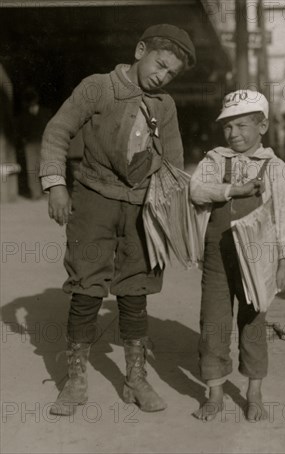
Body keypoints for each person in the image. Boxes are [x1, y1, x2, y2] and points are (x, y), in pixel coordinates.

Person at [39, 24, 196, 416]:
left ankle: (135, 379)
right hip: (93, 199)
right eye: (160, 65)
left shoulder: (166, 105)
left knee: (135, 290)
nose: (163, 76)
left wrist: (176, 215)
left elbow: (174, 162)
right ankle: (75, 381)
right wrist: (55, 185)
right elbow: (58, 131)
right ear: (140, 50)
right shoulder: (99, 87)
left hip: (142, 207)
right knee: (87, 286)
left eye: (171, 73)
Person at [190, 90, 285, 422]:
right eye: (228, 128)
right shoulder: (214, 160)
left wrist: (284, 263)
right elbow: (196, 190)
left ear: (262, 125)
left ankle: (254, 392)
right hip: (218, 257)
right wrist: (232, 191)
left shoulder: (274, 166)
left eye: (241, 126)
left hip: (259, 259)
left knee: (253, 323)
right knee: (213, 323)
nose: (234, 134)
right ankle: (215, 393)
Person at [16, 87, 52, 199]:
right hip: (30, 145)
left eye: (32, 100)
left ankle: (47, 192)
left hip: (45, 144)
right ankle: (35, 193)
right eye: (28, 101)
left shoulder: (46, 112)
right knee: (32, 169)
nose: (30, 103)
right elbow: (19, 130)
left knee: (46, 167)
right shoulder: (23, 116)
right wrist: (23, 139)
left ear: (36, 100)